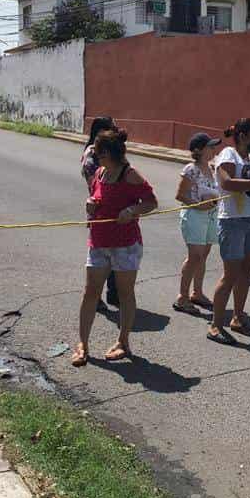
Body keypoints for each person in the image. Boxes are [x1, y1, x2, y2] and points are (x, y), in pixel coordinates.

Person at [75, 130, 158, 366]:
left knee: (124, 294)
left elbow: (151, 202)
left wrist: (131, 211)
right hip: (99, 241)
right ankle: (83, 344)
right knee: (91, 292)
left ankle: (123, 341)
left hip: (125, 244)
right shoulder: (100, 173)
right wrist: (90, 205)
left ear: (109, 153)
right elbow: (95, 198)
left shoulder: (130, 175)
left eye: (97, 153)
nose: (94, 158)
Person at [207, 119, 250, 345]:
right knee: (230, 274)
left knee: (245, 272)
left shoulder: (248, 158)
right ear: (242, 136)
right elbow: (227, 183)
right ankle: (215, 324)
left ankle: (238, 317)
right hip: (233, 221)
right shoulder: (228, 154)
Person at [174, 132, 222, 316]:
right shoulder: (190, 169)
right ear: (198, 150)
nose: (213, 149)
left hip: (210, 216)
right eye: (210, 146)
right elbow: (180, 195)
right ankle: (182, 297)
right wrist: (199, 206)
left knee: (203, 256)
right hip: (194, 216)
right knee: (195, 256)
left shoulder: (212, 168)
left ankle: (197, 293)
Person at [82, 116, 120, 310]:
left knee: (117, 253)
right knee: (100, 258)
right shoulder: (91, 153)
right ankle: (94, 296)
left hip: (116, 210)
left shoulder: (113, 151)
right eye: (113, 128)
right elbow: (95, 183)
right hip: (99, 211)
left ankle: (115, 293)